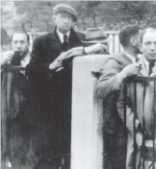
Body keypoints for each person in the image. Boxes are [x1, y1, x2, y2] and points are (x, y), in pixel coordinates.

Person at [25, 3, 102, 168]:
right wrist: (50, 67)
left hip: (75, 101)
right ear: (54, 18)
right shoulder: (41, 41)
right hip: (49, 103)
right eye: (63, 17)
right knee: (47, 148)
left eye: (70, 18)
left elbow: (102, 53)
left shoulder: (81, 39)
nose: (66, 21)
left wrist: (88, 50)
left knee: (72, 146)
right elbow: (31, 69)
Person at [116, 28, 156, 169]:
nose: (152, 48)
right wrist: (135, 130)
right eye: (148, 43)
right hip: (136, 136)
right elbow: (121, 103)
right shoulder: (131, 70)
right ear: (140, 46)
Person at [97, 25, 142, 169]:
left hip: (133, 125)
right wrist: (122, 74)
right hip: (117, 129)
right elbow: (102, 89)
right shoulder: (114, 62)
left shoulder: (140, 61)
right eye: (142, 40)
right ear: (134, 41)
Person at [0, 32, 31, 168]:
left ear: (28, 44)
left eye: (22, 42)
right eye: (16, 42)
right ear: (11, 44)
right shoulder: (5, 59)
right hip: (11, 109)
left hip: (31, 108)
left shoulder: (34, 59)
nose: (19, 46)